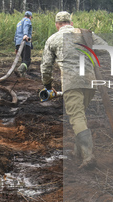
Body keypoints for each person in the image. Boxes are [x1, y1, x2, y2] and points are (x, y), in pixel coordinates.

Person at [40, 11, 107, 169]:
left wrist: (48, 86)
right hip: (90, 82)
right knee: (80, 116)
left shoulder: (53, 39)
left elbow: (46, 67)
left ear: (57, 24)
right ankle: (78, 151)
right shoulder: (84, 34)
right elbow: (105, 48)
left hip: (72, 83)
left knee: (76, 117)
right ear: (70, 21)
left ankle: (88, 156)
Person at [14, 11, 33, 77]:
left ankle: (22, 75)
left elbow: (16, 34)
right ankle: (20, 70)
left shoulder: (19, 23)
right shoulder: (27, 20)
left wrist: (16, 47)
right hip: (25, 42)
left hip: (18, 42)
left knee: (23, 60)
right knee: (27, 60)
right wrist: (25, 35)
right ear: (30, 17)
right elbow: (26, 27)